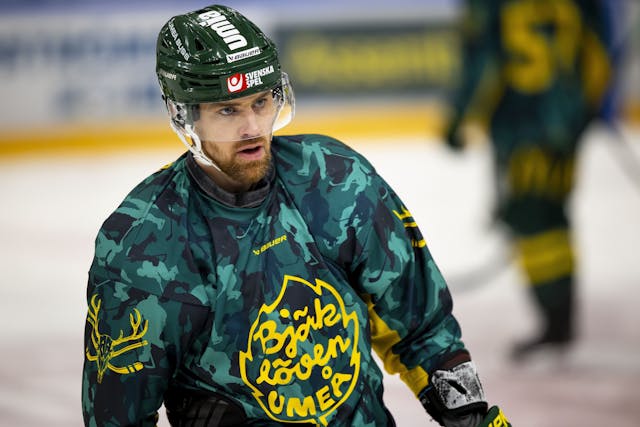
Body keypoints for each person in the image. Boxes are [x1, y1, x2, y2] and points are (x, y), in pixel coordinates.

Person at [81, 5, 511, 426]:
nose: (253, 128)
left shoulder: (336, 180)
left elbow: (421, 326)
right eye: (227, 110)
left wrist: (470, 417)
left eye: (261, 102)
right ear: (183, 114)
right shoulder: (144, 244)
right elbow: (117, 416)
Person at [444, 0, 617, 360]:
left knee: (533, 220)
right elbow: (599, 55)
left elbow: (485, 60)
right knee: (552, 219)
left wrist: (459, 117)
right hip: (566, 122)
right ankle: (560, 321)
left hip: (522, 126)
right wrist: (583, 112)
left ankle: (556, 323)